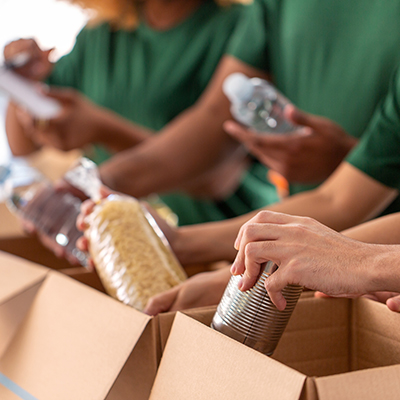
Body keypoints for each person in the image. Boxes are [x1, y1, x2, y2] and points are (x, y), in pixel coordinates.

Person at [8, 0, 400, 228]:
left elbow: (218, 173)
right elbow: (216, 117)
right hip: (298, 236)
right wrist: (91, 186)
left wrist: (101, 159)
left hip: (286, 231)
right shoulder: (98, 39)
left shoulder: (226, 28)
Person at [5, 0, 272, 226]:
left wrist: (104, 131)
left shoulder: (240, 28)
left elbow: (216, 179)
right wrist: (23, 85)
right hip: (127, 232)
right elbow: (23, 145)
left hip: (227, 235)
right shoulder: (101, 34)